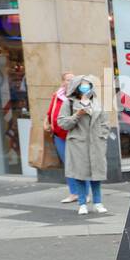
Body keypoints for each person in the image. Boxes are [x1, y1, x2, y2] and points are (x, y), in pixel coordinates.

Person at [56, 76, 110, 215]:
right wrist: (77, 115)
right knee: (79, 174)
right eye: (83, 86)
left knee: (96, 175)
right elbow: (62, 123)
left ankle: (98, 202)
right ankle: (82, 204)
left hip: (96, 143)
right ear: (77, 87)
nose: (86, 88)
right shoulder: (69, 103)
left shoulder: (97, 103)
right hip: (78, 144)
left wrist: (102, 136)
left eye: (88, 85)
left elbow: (105, 122)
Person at [45, 72, 79, 204]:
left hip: (74, 136)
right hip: (59, 136)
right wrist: (46, 123)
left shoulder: (79, 96)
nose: (70, 82)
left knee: (79, 165)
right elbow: (50, 112)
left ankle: (85, 193)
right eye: (68, 80)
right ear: (63, 82)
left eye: (73, 80)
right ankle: (73, 193)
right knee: (68, 165)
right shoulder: (57, 95)